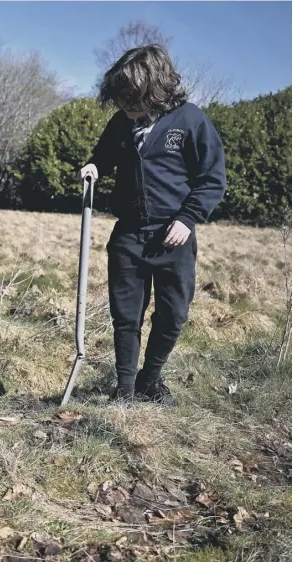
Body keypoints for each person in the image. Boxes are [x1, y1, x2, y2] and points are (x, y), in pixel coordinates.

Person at [79, 44, 226, 406]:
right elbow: (103, 156)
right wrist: (94, 166)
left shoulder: (190, 120)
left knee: (174, 314)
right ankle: (125, 390)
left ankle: (150, 378)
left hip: (173, 237)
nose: (126, 107)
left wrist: (188, 218)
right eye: (121, 99)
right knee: (125, 316)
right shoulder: (120, 124)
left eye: (132, 98)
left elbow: (212, 178)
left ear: (154, 88)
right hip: (129, 234)